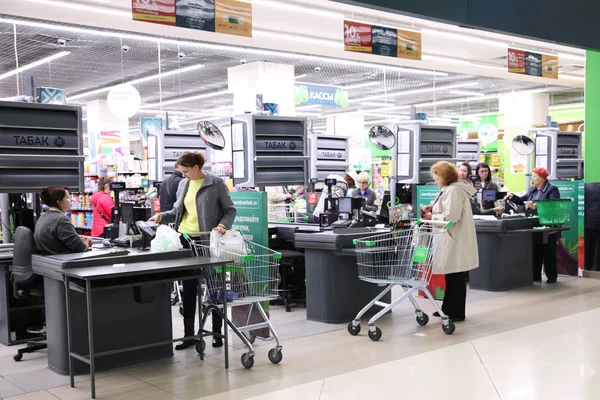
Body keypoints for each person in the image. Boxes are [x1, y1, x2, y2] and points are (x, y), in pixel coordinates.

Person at [150, 152, 236, 349]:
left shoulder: (216, 183)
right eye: (182, 172)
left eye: (186, 171)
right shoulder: (183, 184)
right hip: (186, 241)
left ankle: (217, 333)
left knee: (214, 287)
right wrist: (160, 216)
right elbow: (176, 212)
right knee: (188, 289)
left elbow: (230, 210)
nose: (184, 175)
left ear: (197, 167)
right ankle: (189, 336)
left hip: (207, 241)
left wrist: (223, 225)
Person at [421, 161, 479, 322]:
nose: (435, 182)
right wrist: (431, 209)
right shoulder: (449, 189)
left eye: (437, 178)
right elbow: (445, 209)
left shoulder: (453, 190)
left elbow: (452, 216)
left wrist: (431, 217)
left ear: (445, 177)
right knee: (451, 275)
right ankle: (447, 308)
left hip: (454, 238)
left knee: (456, 276)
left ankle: (457, 312)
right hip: (450, 237)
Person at [503, 167, 560, 283]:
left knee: (549, 252)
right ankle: (536, 276)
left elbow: (554, 206)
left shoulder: (552, 189)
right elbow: (523, 199)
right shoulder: (532, 189)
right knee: (536, 251)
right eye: (532, 176)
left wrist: (538, 207)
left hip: (549, 225)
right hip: (534, 224)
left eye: (535, 176)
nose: (533, 179)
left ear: (542, 177)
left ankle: (552, 276)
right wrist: (513, 197)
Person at [35, 186, 92, 255]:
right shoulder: (61, 220)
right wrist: (86, 243)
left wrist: (79, 240)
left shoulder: (43, 217)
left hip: (48, 259)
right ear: (59, 202)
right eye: (67, 197)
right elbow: (80, 248)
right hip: (61, 260)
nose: (71, 200)